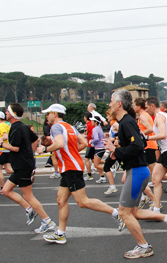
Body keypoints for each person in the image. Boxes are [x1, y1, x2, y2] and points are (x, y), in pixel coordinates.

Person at [103, 90, 167, 259]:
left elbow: (138, 146)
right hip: (137, 170)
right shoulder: (126, 122)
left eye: (111, 101)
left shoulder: (126, 123)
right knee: (134, 212)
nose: (109, 105)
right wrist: (118, 151)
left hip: (137, 172)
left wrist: (115, 149)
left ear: (119, 104)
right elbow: (137, 145)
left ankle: (144, 246)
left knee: (123, 213)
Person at [41, 104, 123, 245]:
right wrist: (70, 152)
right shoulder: (69, 127)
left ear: (54, 114)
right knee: (61, 200)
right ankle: (60, 233)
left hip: (71, 168)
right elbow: (84, 143)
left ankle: (117, 214)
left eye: (48, 114)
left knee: (83, 201)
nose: (46, 116)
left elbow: (60, 143)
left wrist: (45, 149)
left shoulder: (55, 127)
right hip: (70, 167)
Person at [0, 104, 57, 233]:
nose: (5, 113)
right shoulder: (21, 126)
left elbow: (16, 148)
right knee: (6, 190)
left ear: (12, 113)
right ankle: (28, 209)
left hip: (23, 165)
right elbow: (35, 140)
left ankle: (48, 221)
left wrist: (0, 143)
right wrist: (30, 153)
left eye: (7, 111)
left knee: (28, 195)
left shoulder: (17, 128)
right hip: (21, 164)